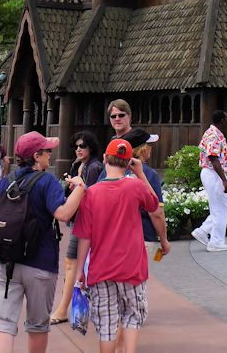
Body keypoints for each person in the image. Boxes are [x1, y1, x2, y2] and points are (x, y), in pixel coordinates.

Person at [0, 130, 85, 352]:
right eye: (47, 151)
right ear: (36, 156)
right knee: (37, 325)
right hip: (40, 264)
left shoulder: (6, 182)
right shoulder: (48, 181)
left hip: (5, 261)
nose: (50, 155)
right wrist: (80, 188)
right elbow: (63, 214)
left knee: (3, 323)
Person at [74, 137, 169, 353]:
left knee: (107, 322)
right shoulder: (135, 186)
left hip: (101, 267)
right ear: (128, 163)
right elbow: (154, 206)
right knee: (132, 315)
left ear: (106, 158)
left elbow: (84, 237)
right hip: (131, 266)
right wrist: (141, 173)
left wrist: (81, 270)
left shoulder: (91, 193)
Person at [50, 130, 103, 325]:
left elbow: (96, 196)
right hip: (78, 221)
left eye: (83, 146)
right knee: (78, 265)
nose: (79, 149)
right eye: (76, 146)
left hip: (86, 223)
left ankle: (63, 308)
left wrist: (80, 190)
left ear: (91, 147)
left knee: (72, 263)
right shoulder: (77, 165)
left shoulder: (94, 167)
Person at [191, 110, 227, 252]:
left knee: (221, 206)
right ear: (221, 120)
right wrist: (224, 180)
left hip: (211, 173)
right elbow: (213, 157)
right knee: (220, 208)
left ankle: (203, 231)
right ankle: (216, 242)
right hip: (214, 173)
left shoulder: (210, 132)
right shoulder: (214, 135)